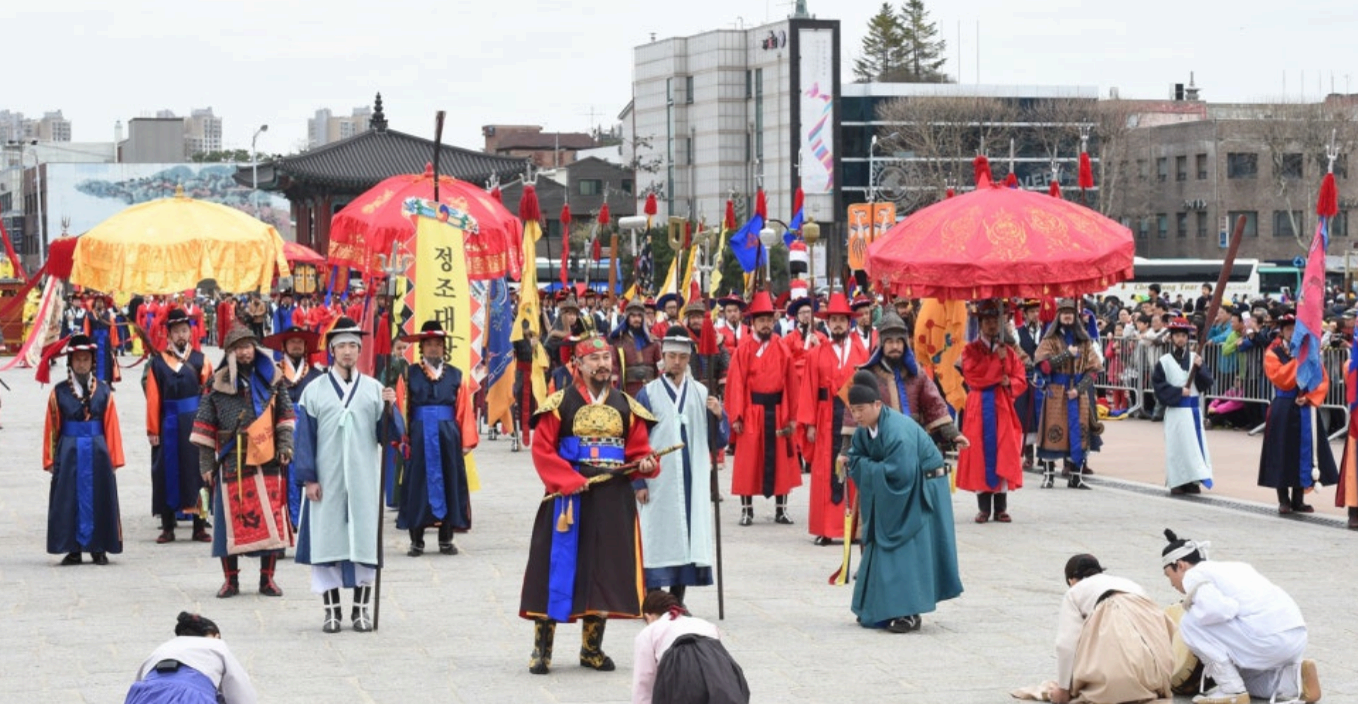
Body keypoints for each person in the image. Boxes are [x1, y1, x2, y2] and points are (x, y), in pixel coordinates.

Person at [519, 331, 658, 675]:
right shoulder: (558, 402)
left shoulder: (627, 405)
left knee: (605, 570)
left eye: (606, 358)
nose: (601, 365)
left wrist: (647, 464)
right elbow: (543, 450)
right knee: (556, 568)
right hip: (569, 498)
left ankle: (591, 648)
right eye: (593, 359)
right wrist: (569, 481)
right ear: (576, 365)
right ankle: (542, 649)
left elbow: (639, 450)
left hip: (613, 497)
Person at [293, 317, 400, 633]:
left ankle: (361, 611)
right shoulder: (314, 391)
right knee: (328, 543)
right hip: (327, 479)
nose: (348, 352)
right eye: (341, 346)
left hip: (363, 477)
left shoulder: (374, 389)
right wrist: (309, 478)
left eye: (353, 345)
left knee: (364, 543)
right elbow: (304, 439)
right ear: (332, 350)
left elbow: (390, 436)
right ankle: (331, 612)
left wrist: (391, 409)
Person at [844, 371, 962, 633]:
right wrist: (863, 463)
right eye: (853, 410)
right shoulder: (866, 431)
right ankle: (877, 608)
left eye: (861, 409)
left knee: (909, 549)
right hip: (901, 488)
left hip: (923, 488)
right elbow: (855, 457)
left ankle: (909, 613)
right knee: (884, 546)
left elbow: (900, 472)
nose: (858, 416)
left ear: (878, 405)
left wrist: (866, 466)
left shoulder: (898, 430)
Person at [191, 324, 296, 598]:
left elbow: (285, 414)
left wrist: (285, 444)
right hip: (232, 460)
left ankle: (267, 579)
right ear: (230, 352)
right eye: (238, 348)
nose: (244, 352)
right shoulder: (216, 384)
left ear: (255, 348)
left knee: (271, 519)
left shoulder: (273, 378)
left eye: (248, 346)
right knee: (229, 521)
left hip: (267, 456)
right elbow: (204, 427)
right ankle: (231, 580)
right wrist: (205, 464)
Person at [1161, 529, 1321, 704]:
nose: (1172, 584)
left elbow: (1219, 610)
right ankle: (1296, 680)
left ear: (1181, 565)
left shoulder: (1193, 575)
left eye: (1169, 575)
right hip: (1295, 638)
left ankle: (1231, 690)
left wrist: (1190, 607)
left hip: (1267, 640)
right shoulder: (1233, 567)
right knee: (1244, 678)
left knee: (1189, 623)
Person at [635, 326, 728, 605]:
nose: (677, 362)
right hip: (658, 477)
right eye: (672, 356)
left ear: (689, 360)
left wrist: (718, 415)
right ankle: (652, 598)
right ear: (663, 356)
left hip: (691, 474)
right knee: (658, 532)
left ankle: (677, 598)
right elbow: (636, 441)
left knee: (687, 533)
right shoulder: (647, 394)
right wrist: (638, 481)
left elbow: (719, 440)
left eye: (682, 357)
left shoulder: (701, 393)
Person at [394, 320, 479, 557]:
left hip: (447, 436)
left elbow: (464, 408)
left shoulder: (455, 375)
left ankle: (446, 538)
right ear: (421, 347)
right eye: (428, 344)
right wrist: (402, 438)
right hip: (420, 435)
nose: (433, 349)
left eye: (438, 345)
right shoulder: (408, 374)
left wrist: (465, 440)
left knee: (450, 482)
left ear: (444, 348)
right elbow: (401, 407)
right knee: (417, 484)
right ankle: (416, 540)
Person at [42, 335, 125, 566]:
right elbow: (51, 426)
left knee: (100, 495)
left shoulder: (104, 392)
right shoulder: (58, 392)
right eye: (77, 359)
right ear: (70, 362)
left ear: (92, 362)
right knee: (67, 498)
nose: (81, 364)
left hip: (98, 451)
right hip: (69, 451)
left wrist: (114, 458)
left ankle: (99, 547)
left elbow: (111, 425)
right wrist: (50, 457)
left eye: (85, 359)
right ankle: (72, 548)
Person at [1048, 554, 1174, 704]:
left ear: (1071, 580)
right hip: (1156, 676)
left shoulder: (1075, 592)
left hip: (1114, 680)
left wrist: (1063, 689)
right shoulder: (1130, 584)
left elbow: (1066, 644)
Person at [724, 291, 801, 526]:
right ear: (753, 323)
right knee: (748, 461)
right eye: (761, 320)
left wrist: (792, 416)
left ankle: (781, 509)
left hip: (778, 411)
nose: (765, 324)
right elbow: (736, 383)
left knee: (781, 461)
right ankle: (747, 510)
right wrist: (736, 414)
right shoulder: (743, 349)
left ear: (774, 322)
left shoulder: (782, 347)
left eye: (769, 320)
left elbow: (791, 381)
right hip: (752, 411)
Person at [797, 293, 867, 545]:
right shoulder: (816, 353)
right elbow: (808, 389)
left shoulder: (862, 351)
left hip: (854, 417)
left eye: (842, 320)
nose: (837, 324)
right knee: (824, 470)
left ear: (849, 323)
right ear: (828, 323)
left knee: (854, 468)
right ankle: (825, 528)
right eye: (834, 319)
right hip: (826, 416)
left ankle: (855, 526)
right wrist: (810, 424)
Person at [145, 308, 214, 544]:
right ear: (169, 335)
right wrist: (153, 429)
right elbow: (153, 398)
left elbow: (210, 395)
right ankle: (167, 525)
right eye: (176, 332)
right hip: (169, 422)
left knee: (198, 473)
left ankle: (199, 525)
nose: (181, 335)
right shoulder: (158, 362)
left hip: (195, 422)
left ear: (191, 333)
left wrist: (210, 426)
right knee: (165, 471)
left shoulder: (200, 360)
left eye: (185, 330)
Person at [1259, 311, 1339, 514]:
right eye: (1288, 329)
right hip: (1284, 407)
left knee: (1303, 453)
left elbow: (1322, 378)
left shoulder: (1309, 353)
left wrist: (1311, 396)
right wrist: (1299, 361)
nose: (1292, 332)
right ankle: (1283, 499)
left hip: (1304, 407)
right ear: (1282, 331)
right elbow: (1280, 378)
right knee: (1282, 452)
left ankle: (1298, 498)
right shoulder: (1273, 352)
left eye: (1296, 329)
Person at [956, 299, 1028, 523]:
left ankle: (1001, 507)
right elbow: (975, 375)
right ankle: (983, 507)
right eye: (987, 320)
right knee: (978, 451)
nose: (991, 325)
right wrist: (998, 366)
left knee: (1004, 448)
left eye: (995, 320)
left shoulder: (1009, 351)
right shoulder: (970, 350)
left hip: (1001, 403)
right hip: (979, 403)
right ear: (980, 323)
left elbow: (1020, 377)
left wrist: (1009, 382)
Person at [631, 591, 749, 704]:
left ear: (648, 616)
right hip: (718, 668)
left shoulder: (649, 631)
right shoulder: (705, 624)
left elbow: (644, 678)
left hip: (682, 672)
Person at [1034, 298, 1104, 489]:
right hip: (1056, 391)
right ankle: (1048, 475)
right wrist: (1066, 355)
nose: (1067, 315)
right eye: (1064, 312)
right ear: (1058, 316)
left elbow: (1095, 369)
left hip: (1078, 392)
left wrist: (1079, 389)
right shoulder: (1049, 340)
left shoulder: (1085, 342)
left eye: (1070, 312)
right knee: (1051, 432)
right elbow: (1044, 366)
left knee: (1079, 433)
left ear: (1076, 316)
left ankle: (1075, 476)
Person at [262, 325, 325, 528]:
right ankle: (282, 528)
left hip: (309, 432)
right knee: (280, 479)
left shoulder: (317, 375)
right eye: (292, 342)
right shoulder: (273, 373)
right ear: (284, 346)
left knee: (309, 473)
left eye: (300, 342)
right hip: (281, 433)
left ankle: (309, 527)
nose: (296, 346)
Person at [124, 612, 257, 704]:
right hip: (191, 696)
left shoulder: (162, 648)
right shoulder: (216, 645)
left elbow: (141, 681)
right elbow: (241, 693)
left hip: (145, 696)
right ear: (215, 635)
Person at [1151, 316, 1214, 495]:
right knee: (1177, 447)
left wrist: (1200, 368)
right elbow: (1158, 387)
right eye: (1177, 335)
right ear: (1171, 338)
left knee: (1194, 447)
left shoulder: (1195, 357)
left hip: (1193, 410)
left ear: (1188, 338)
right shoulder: (1164, 361)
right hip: (1176, 411)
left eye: (1183, 336)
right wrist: (1178, 392)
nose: (1180, 339)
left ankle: (1193, 480)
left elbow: (1207, 382)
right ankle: (1177, 480)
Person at [1014, 299, 1044, 469]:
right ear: (1025, 314)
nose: (1035, 315)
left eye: (1037, 311)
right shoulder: (1018, 333)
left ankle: (1044, 455)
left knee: (1042, 417)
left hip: (1042, 380)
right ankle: (1028, 454)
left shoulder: (1046, 333)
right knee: (1025, 416)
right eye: (1031, 312)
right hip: (1025, 379)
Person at [610, 299, 661, 397]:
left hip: (651, 390)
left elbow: (660, 369)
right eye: (633, 316)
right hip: (628, 391)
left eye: (639, 316)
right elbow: (614, 370)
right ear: (627, 318)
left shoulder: (653, 342)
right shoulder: (618, 342)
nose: (636, 319)